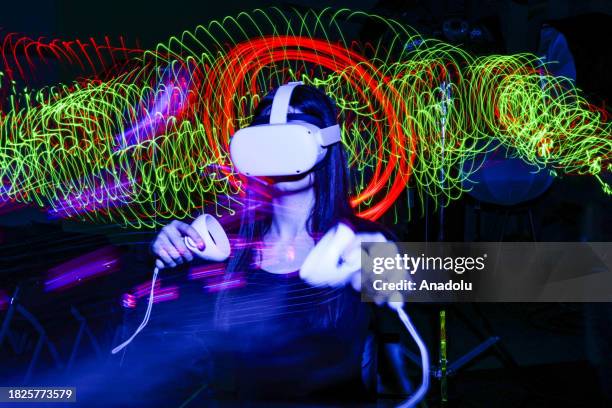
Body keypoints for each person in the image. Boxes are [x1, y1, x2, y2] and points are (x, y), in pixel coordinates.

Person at [148, 84, 390, 404]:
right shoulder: (225, 250)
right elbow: (177, 358)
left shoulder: (362, 244)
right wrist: (169, 263)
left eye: (293, 135)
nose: (280, 151)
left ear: (324, 145)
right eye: (269, 138)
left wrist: (403, 271)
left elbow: (471, 276)